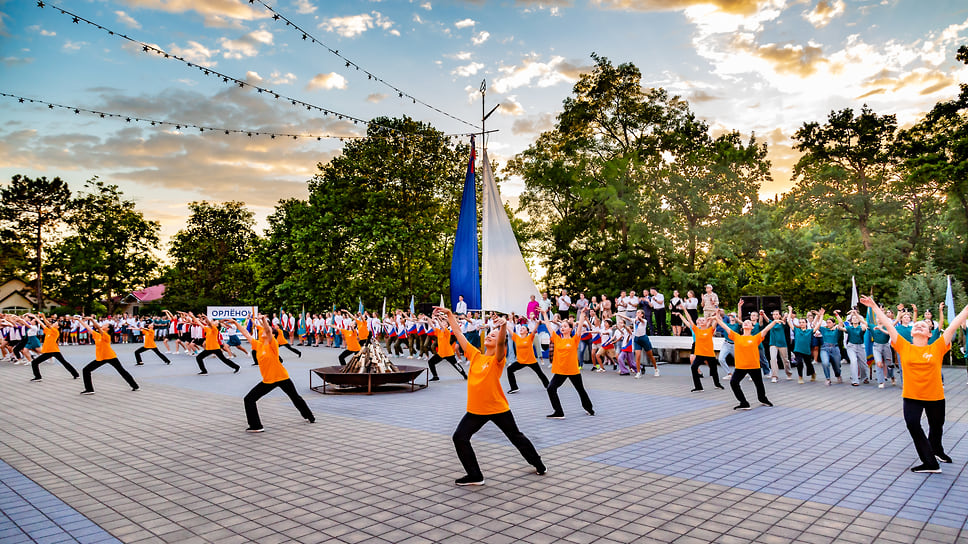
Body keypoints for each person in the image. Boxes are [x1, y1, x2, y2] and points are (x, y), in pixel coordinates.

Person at [434, 306, 545, 486]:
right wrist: (449, 315)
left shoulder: (497, 360)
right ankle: (475, 475)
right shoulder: (475, 355)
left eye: (492, 336)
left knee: (516, 437)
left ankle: (538, 463)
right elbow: (458, 333)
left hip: (497, 408)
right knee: (459, 437)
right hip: (476, 410)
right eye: (488, 335)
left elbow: (501, 344)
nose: (489, 337)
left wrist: (502, 327)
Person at [860, 295, 968, 473]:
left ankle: (937, 451)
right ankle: (930, 463)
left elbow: (955, 324)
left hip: (935, 396)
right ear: (911, 332)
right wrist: (873, 306)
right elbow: (888, 324)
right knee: (912, 424)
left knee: (936, 427)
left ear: (929, 333)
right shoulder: (903, 346)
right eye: (916, 325)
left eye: (923, 326)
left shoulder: (938, 346)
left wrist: (966, 310)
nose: (919, 325)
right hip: (912, 396)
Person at [233, 317, 315, 433]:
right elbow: (246, 333)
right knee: (249, 399)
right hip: (268, 380)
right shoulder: (258, 345)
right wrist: (236, 323)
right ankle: (256, 426)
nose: (263, 332)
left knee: (295, 397)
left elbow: (267, 330)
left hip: (282, 377)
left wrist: (264, 321)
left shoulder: (273, 344)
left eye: (266, 331)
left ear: (272, 334)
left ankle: (309, 416)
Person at [713, 302, 780, 410]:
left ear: (752, 326)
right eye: (745, 322)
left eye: (748, 322)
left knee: (759, 384)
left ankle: (763, 399)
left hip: (754, 366)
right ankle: (744, 402)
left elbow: (766, 330)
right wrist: (716, 318)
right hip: (741, 367)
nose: (746, 323)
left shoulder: (755, 338)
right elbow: (724, 326)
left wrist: (775, 321)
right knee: (734, 383)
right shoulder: (737, 337)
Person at [542, 309, 595, 419]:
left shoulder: (574, 339)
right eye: (562, 326)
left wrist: (582, 314)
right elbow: (548, 327)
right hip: (560, 371)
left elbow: (580, 327)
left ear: (570, 329)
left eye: (565, 326)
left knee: (580, 389)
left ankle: (589, 408)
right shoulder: (557, 339)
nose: (562, 328)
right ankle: (558, 412)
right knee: (551, 388)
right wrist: (544, 314)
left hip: (573, 370)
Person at [76, 317, 139, 395]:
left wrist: (91, 319)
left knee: (121, 371)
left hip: (111, 356)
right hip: (101, 358)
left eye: (105, 325)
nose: (103, 325)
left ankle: (135, 386)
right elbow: (87, 327)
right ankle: (89, 389)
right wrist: (79, 320)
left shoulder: (106, 336)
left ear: (108, 328)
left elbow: (98, 327)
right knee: (86, 370)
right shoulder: (97, 335)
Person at [677, 308, 723, 392]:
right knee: (694, 367)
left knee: (714, 369)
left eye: (703, 320)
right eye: (700, 320)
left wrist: (716, 313)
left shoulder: (710, 330)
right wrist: (684, 309)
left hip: (709, 354)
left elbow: (716, 320)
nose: (702, 321)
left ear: (706, 322)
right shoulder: (696, 330)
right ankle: (698, 387)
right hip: (699, 354)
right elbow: (689, 319)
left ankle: (717, 384)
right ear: (698, 322)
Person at [29, 313, 79, 381]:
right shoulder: (48, 331)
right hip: (49, 351)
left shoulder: (55, 331)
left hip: (54, 350)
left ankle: (76, 374)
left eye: (56, 323)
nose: (54, 323)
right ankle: (38, 377)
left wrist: (43, 316)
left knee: (64, 362)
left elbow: (48, 324)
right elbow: (42, 324)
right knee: (35, 362)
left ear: (58, 327)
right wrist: (35, 317)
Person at [507, 322, 549, 393]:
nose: (521, 329)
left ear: (527, 332)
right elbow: (510, 330)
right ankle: (514, 387)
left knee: (540, 373)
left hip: (531, 361)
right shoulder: (517, 338)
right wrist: (505, 324)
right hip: (521, 361)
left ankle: (548, 386)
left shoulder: (529, 337)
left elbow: (534, 331)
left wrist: (537, 323)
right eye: (521, 328)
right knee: (509, 369)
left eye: (523, 328)